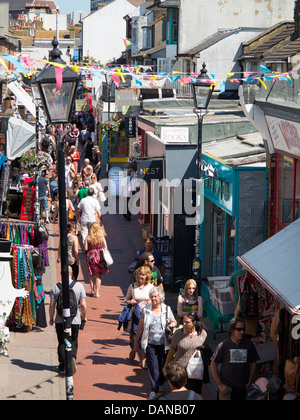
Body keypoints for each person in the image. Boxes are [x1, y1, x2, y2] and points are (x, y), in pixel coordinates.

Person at [133, 287, 176, 400]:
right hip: (150, 344)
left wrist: (171, 325)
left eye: (155, 296)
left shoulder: (167, 309)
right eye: (151, 296)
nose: (153, 298)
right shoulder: (146, 310)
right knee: (153, 367)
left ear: (161, 297)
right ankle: (154, 390)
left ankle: (160, 383)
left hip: (164, 344)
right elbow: (140, 327)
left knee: (163, 366)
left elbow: (174, 320)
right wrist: (136, 342)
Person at [49, 265, 87, 374]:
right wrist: (84, 317)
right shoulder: (79, 286)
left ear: (61, 273)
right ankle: (72, 358)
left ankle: (62, 365)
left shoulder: (56, 287)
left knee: (61, 342)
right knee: (73, 340)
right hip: (75, 320)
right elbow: (83, 305)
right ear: (71, 273)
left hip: (60, 320)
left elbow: (52, 305)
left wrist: (51, 318)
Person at [210, 317, 260, 400]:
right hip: (227, 389)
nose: (242, 332)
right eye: (239, 329)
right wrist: (220, 385)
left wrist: (249, 383)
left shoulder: (248, 345)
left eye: (243, 329)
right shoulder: (223, 346)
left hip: (242, 389)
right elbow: (213, 365)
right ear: (232, 330)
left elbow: (253, 363)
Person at [164, 312, 211, 396]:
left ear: (194, 323)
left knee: (194, 395)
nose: (184, 324)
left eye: (187, 322)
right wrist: (166, 365)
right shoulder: (178, 333)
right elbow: (172, 350)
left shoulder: (203, 334)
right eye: (183, 321)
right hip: (180, 371)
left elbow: (208, 352)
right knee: (180, 395)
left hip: (195, 372)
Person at [125, 266, 153, 368]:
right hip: (135, 316)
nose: (141, 276)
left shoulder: (151, 288)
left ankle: (143, 360)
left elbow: (155, 300)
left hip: (146, 316)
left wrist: (151, 301)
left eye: (143, 275)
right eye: (140, 274)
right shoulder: (132, 286)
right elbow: (126, 299)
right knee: (134, 337)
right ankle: (133, 349)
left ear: (147, 276)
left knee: (145, 338)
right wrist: (130, 301)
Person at [84, 223, 108, 297]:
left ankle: (91, 290)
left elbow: (85, 248)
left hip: (90, 256)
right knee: (98, 275)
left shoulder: (88, 237)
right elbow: (105, 246)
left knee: (91, 274)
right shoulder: (101, 237)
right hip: (98, 256)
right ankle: (97, 292)